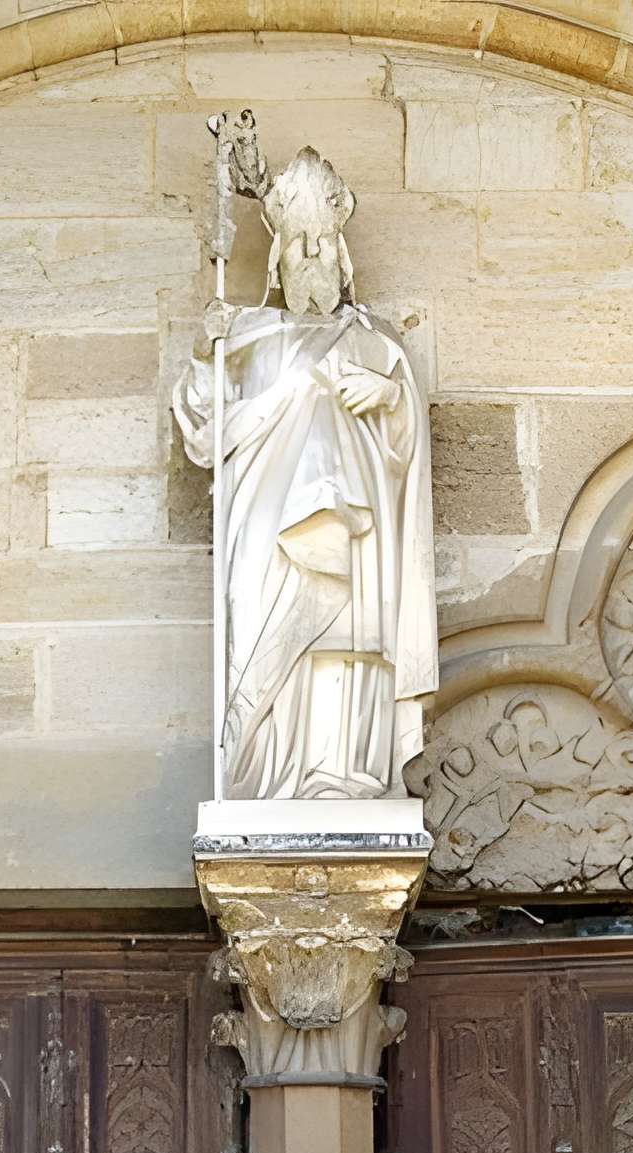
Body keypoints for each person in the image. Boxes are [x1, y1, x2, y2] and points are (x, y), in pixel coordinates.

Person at [173, 146, 438, 810]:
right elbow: (205, 426)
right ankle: (266, 780)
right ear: (276, 261)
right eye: (299, 245)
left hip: (356, 534)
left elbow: (408, 451)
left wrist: (390, 397)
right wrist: (208, 353)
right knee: (266, 636)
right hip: (267, 536)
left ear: (343, 258)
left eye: (322, 243)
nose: (312, 255)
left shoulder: (376, 344)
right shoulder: (249, 338)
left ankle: (345, 775)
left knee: (344, 645)